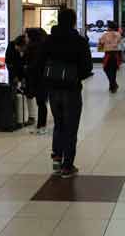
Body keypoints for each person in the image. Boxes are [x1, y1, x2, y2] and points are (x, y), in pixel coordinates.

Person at [38, 9, 93, 179]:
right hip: (71, 89)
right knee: (71, 127)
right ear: (73, 21)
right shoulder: (79, 41)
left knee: (59, 124)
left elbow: (39, 63)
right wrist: (75, 75)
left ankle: (56, 159)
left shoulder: (48, 40)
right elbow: (87, 68)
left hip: (53, 89)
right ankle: (67, 166)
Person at [24, 28, 49, 134]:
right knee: (41, 102)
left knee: (41, 102)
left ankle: (41, 126)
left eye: (27, 36)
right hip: (43, 78)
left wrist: (27, 68)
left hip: (38, 78)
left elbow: (33, 64)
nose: (25, 38)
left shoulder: (33, 48)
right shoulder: (42, 46)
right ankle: (40, 125)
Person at [98, 21, 123, 93]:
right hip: (115, 55)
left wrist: (102, 47)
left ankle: (113, 84)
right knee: (114, 71)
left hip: (108, 55)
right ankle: (112, 85)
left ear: (109, 27)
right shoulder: (118, 34)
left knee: (106, 69)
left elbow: (101, 44)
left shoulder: (105, 35)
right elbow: (121, 45)